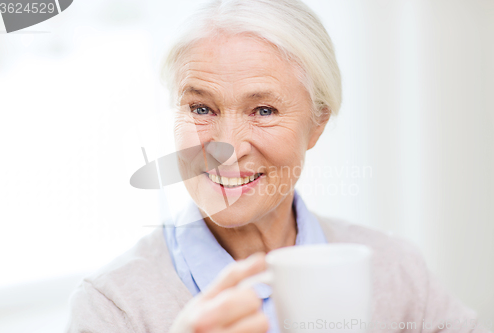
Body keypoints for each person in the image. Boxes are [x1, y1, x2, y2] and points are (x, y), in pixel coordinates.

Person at [66, 0, 490, 332]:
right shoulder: (112, 307)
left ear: (317, 124)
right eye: (200, 108)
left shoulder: (395, 272)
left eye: (264, 110)